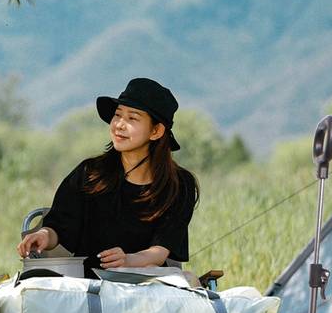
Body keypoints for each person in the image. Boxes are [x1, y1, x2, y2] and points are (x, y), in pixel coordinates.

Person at [17, 77, 199, 278]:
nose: (119, 125)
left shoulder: (180, 184)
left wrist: (127, 260)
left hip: (147, 285)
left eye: (132, 118)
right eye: (118, 115)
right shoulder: (90, 174)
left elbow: (160, 250)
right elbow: (60, 226)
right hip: (89, 287)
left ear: (156, 131)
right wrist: (43, 235)